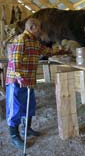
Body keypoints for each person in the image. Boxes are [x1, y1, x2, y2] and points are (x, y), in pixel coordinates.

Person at [6, 18, 71, 150]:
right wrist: (21, 78)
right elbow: (14, 63)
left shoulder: (35, 42)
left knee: (29, 106)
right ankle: (14, 137)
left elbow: (47, 52)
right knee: (15, 110)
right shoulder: (21, 39)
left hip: (28, 81)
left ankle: (27, 129)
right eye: (39, 27)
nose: (41, 30)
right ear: (32, 28)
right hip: (17, 82)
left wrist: (62, 51)